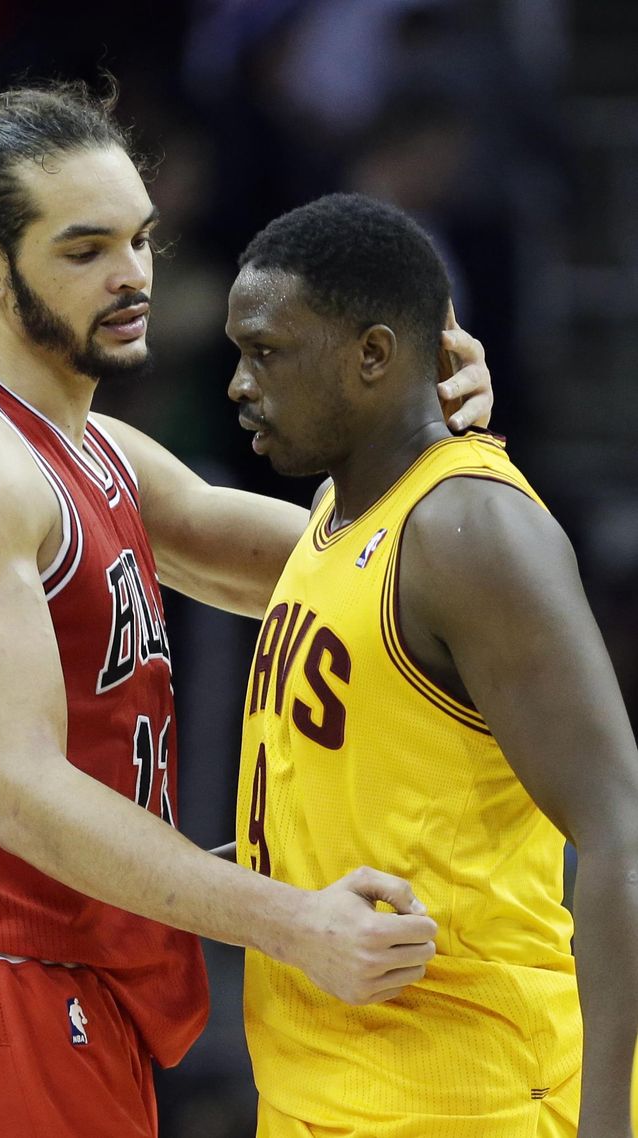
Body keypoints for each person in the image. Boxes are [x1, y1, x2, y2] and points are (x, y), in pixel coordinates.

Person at [0, 83, 493, 1138]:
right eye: (83, 251)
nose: (130, 276)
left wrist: (428, 438)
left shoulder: (94, 450)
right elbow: (24, 798)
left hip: (54, 988)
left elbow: (335, 568)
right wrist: (292, 922)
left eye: (137, 239)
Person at [226, 192, 638, 1138]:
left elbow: (620, 831)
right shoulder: (335, 517)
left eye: (268, 351)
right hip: (320, 1087)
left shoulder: (469, 528)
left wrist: (611, 1123)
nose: (241, 385)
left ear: (373, 355)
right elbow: (324, 835)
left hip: (470, 1095)